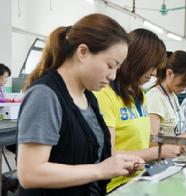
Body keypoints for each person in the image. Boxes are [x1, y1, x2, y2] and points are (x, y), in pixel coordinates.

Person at [17, 13, 144, 196]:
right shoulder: (45, 95)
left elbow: (87, 158)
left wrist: (119, 163)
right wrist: (101, 170)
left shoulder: (88, 97)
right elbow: (30, 174)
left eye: (117, 68)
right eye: (110, 65)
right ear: (83, 52)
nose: (113, 76)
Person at [94, 29, 185, 192]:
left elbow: (147, 142)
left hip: (141, 177)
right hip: (116, 185)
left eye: (157, 68)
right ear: (136, 60)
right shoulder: (104, 95)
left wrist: (180, 141)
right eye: (151, 66)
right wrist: (157, 152)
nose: (154, 73)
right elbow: (108, 154)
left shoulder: (140, 95)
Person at [146, 50, 186, 136]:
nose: (185, 88)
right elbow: (152, 139)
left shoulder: (173, 96)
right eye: (183, 83)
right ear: (169, 73)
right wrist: (181, 139)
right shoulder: (155, 97)